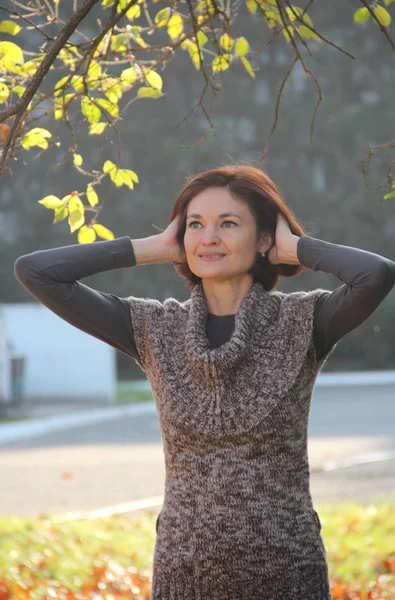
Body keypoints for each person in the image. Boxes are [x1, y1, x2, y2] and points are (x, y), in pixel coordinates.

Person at [14, 165, 395, 599]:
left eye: (228, 224)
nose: (208, 237)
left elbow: (376, 275)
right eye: (196, 224)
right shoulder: (152, 327)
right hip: (183, 572)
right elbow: (36, 271)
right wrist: (151, 248)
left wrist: (296, 246)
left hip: (288, 570)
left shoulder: (304, 321)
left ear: (265, 238)